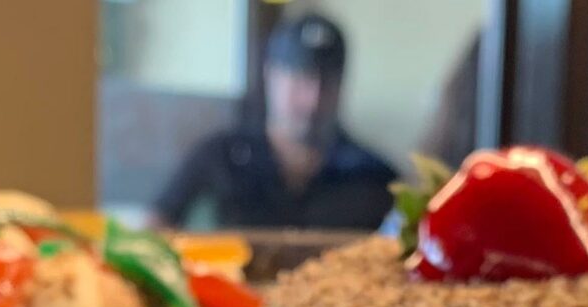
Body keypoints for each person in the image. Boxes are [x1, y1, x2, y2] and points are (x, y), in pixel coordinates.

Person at [149, 12, 400, 231]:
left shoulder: (376, 177)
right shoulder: (220, 156)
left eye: (327, 83)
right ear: (271, 74)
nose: (312, 99)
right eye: (300, 79)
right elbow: (156, 227)